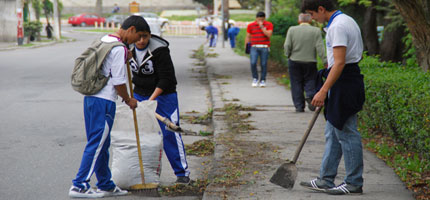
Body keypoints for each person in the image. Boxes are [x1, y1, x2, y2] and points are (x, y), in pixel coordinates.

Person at [69, 15, 146, 198]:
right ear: (131, 30)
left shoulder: (105, 40)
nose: (140, 41)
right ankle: (79, 185)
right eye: (139, 36)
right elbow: (119, 81)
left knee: (102, 144)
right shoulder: (118, 49)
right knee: (97, 144)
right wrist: (129, 100)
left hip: (91, 99)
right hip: (103, 102)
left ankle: (105, 184)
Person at [300, 0, 365, 195]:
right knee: (333, 132)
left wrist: (323, 90)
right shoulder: (346, 20)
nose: (312, 18)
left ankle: (354, 182)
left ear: (321, 9)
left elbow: (339, 63)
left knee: (346, 132)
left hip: (344, 81)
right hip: (341, 79)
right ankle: (325, 179)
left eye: (312, 14)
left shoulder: (338, 26)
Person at [128, 17, 191, 184]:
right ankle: (143, 175)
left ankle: (182, 173)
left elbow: (166, 79)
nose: (141, 41)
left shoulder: (160, 50)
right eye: (139, 37)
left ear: (150, 35)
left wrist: (151, 101)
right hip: (140, 95)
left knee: (169, 134)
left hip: (164, 97)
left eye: (145, 36)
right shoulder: (127, 47)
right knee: (142, 136)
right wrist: (133, 97)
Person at [284, 13, 327, 112]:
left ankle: (299, 106)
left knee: (296, 83)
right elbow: (320, 47)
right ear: (310, 20)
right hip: (310, 61)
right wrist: (324, 60)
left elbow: (287, 45)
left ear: (299, 21)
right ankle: (310, 95)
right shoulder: (315, 31)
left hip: (294, 60)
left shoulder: (292, 30)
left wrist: (288, 55)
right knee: (311, 80)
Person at [245, 11, 273, 88]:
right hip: (254, 47)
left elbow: (269, 35)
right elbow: (248, 36)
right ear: (256, 18)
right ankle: (255, 78)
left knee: (263, 64)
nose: (260, 21)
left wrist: (262, 27)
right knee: (253, 63)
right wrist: (246, 46)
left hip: (264, 47)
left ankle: (263, 80)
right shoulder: (251, 25)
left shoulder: (269, 24)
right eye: (259, 19)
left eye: (262, 19)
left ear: (264, 18)